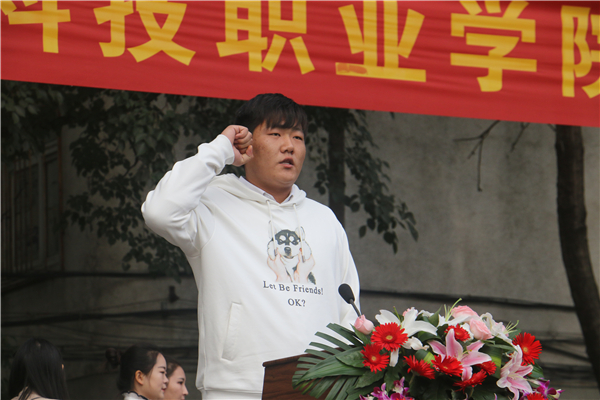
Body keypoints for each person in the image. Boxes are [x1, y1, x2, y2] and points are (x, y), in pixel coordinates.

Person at [142, 93, 360, 399]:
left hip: (320, 389)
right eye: (276, 134)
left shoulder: (325, 220)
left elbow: (349, 312)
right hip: (237, 387)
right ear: (247, 143)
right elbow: (159, 211)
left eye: (298, 137)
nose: (289, 146)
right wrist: (220, 149)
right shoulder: (212, 205)